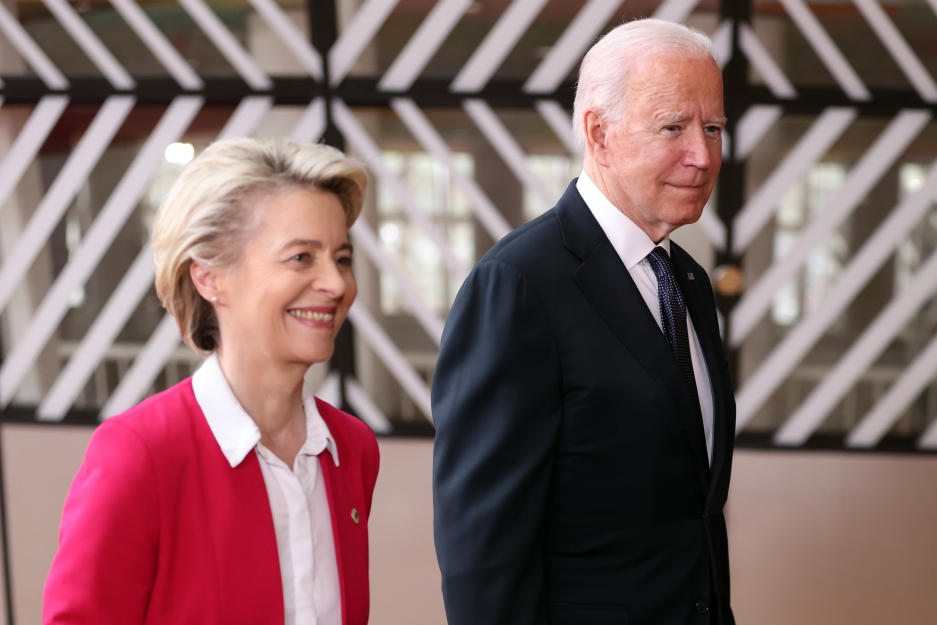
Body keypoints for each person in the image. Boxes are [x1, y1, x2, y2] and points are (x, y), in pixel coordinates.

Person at [432, 18, 735, 625]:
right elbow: (482, 549)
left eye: (713, 128)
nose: (702, 155)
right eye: (673, 127)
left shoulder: (689, 283)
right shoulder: (518, 283)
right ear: (599, 133)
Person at [42, 137, 379, 625]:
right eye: (302, 258)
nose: (336, 284)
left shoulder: (354, 448)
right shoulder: (139, 455)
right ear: (210, 279)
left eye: (342, 258)